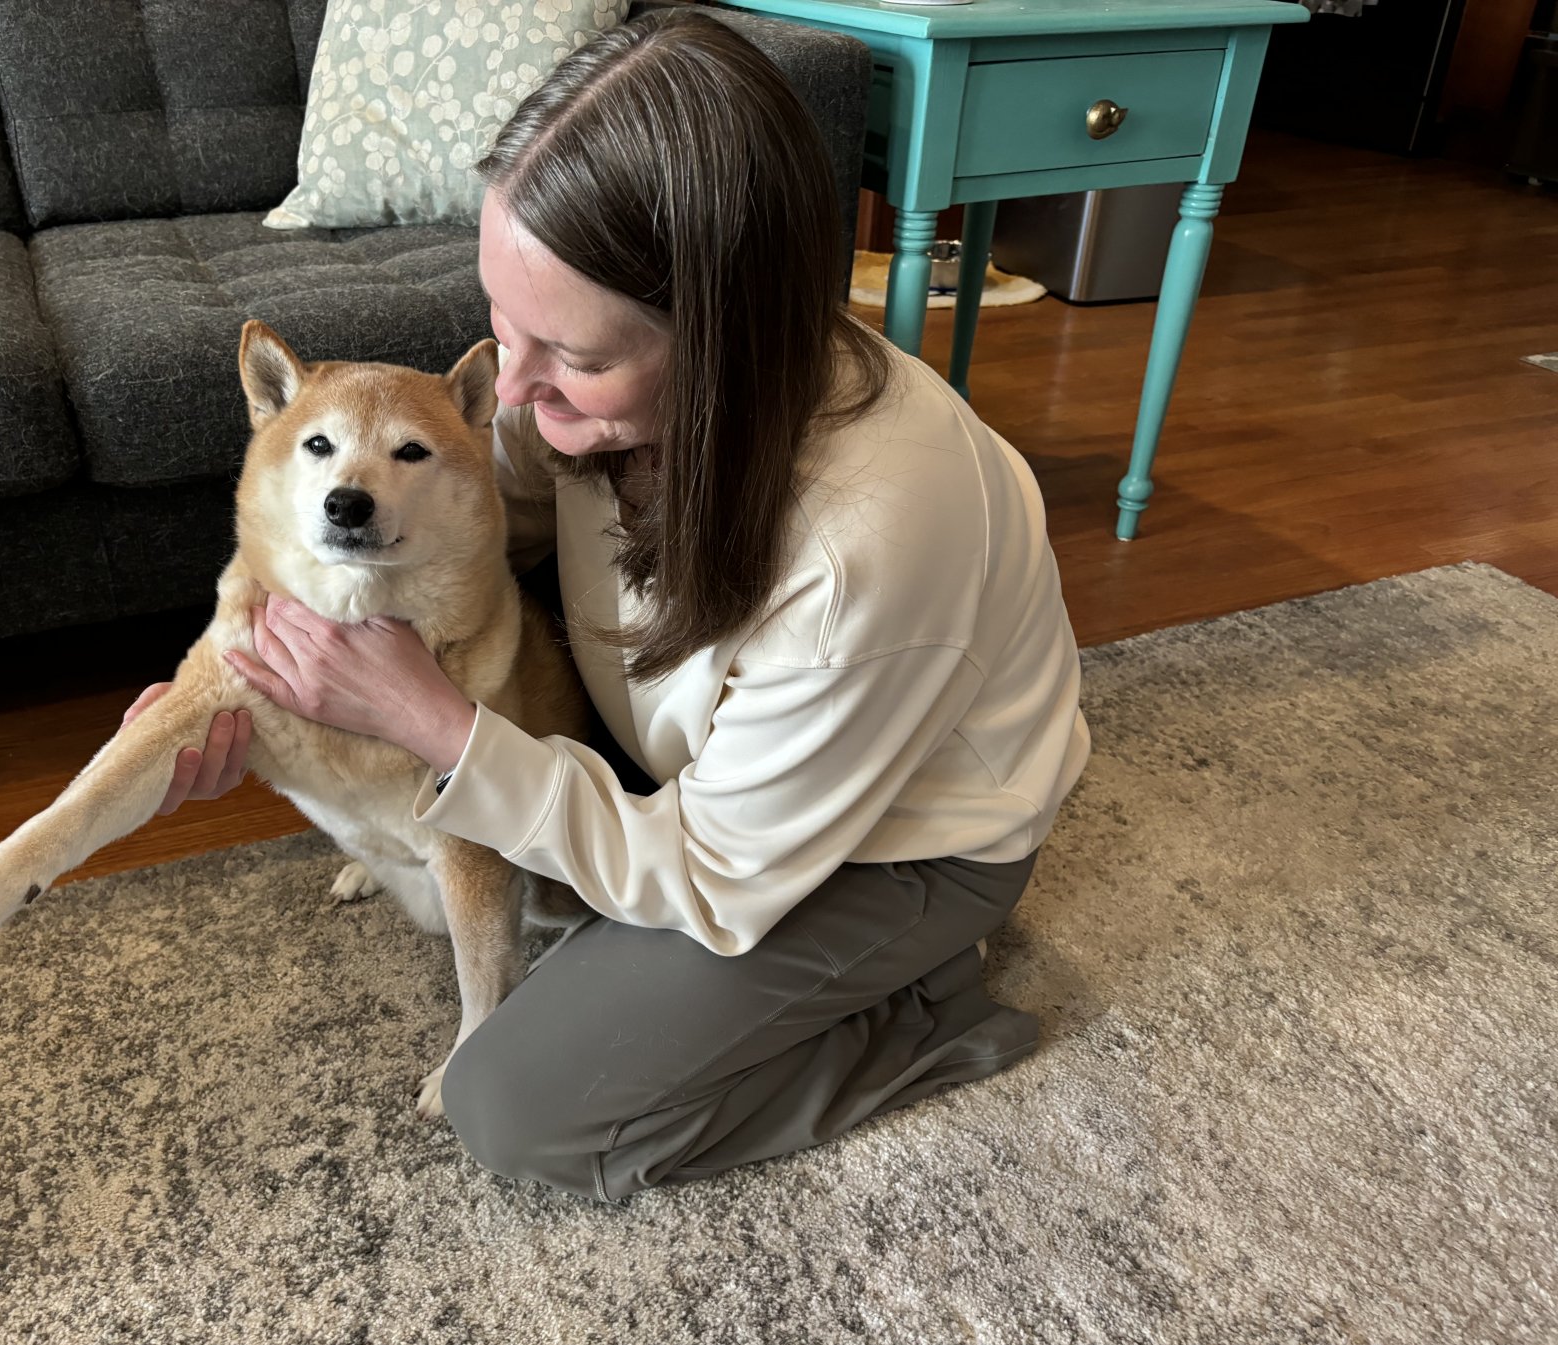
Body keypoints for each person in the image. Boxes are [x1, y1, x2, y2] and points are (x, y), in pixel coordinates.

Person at [124, 8, 1089, 1205]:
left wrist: (437, 727)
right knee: (550, 903)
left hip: (897, 848)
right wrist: (246, 685)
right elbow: (462, 539)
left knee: (523, 1113)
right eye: (501, 323)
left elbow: (720, 877)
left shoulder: (867, 549)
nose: (513, 390)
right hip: (689, 778)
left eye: (570, 358)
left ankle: (920, 1013)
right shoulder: (589, 409)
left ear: (721, 336)